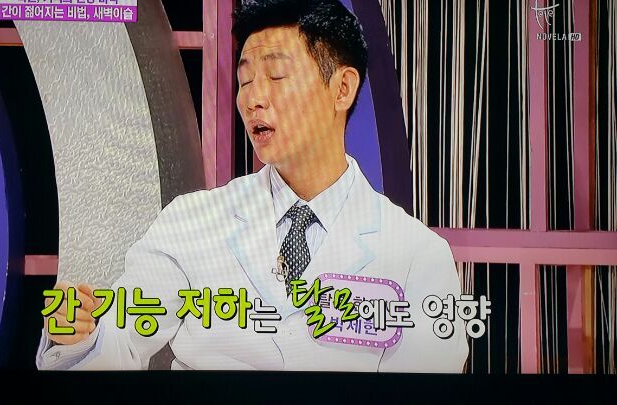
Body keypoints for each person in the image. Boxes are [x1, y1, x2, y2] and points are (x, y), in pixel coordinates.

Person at [37, 0, 468, 372]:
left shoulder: (418, 256)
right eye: (245, 80)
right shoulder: (192, 221)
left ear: (342, 88)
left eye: (276, 76)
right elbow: (116, 345)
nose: (252, 99)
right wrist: (77, 335)